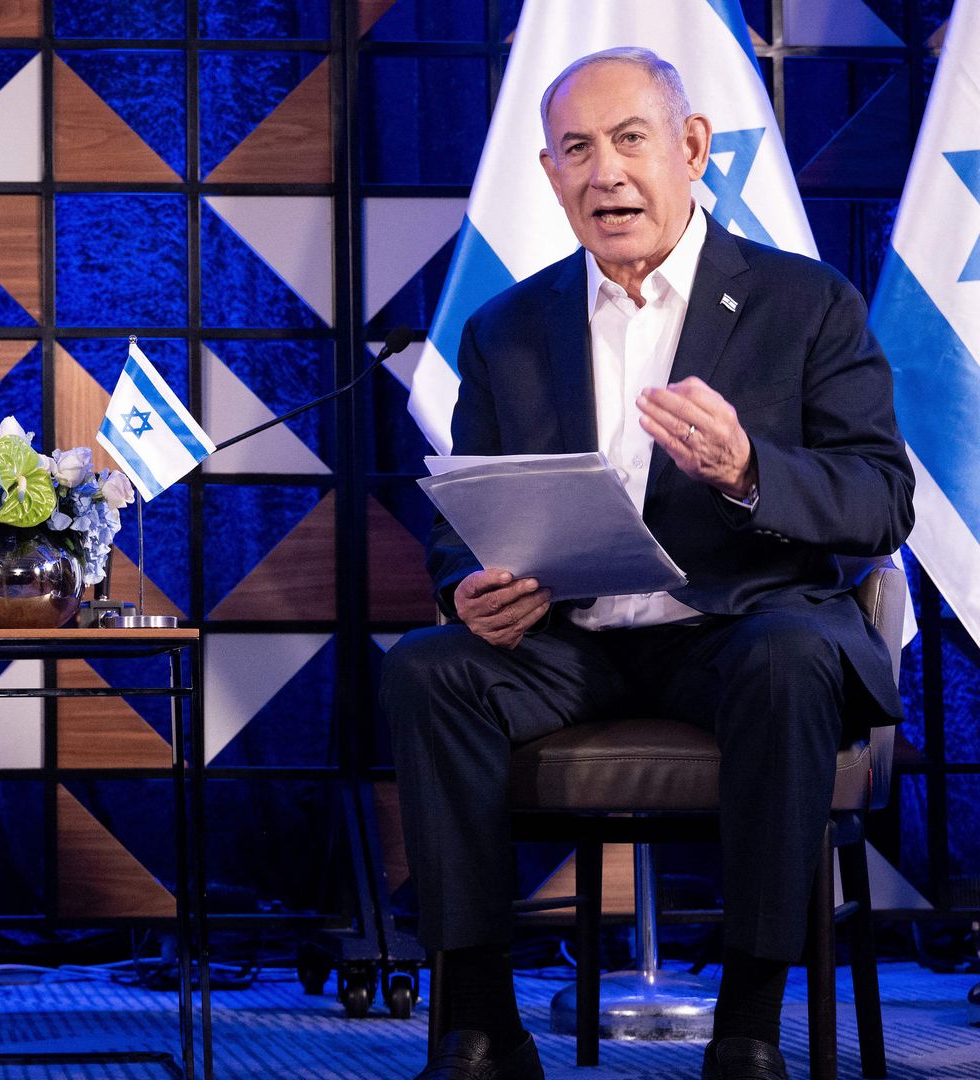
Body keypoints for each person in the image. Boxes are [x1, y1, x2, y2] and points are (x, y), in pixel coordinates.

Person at [381, 47, 913, 1080]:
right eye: (577, 149)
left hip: (740, 633)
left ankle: (748, 1030)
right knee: (427, 668)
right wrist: (472, 585)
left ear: (693, 148)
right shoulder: (504, 329)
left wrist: (751, 469)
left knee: (790, 659)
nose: (606, 172)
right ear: (550, 175)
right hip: (570, 643)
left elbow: (880, 502)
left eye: (630, 139)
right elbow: (467, 515)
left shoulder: (807, 304)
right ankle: (480, 1026)